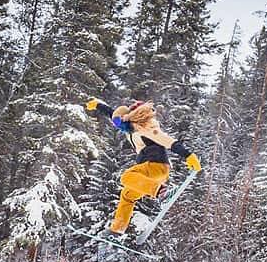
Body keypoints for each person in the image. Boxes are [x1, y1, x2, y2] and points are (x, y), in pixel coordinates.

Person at [85, 98, 201, 235]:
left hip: (155, 165)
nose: (119, 126)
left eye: (120, 122)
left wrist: (188, 155)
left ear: (132, 117)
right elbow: (113, 114)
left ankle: (162, 193)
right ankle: (116, 230)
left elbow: (167, 141)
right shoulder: (131, 130)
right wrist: (99, 105)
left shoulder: (147, 128)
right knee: (127, 195)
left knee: (126, 177)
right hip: (149, 173)